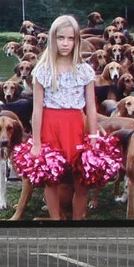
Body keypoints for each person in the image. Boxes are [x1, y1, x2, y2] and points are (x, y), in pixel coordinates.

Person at [28, 12, 100, 223]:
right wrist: (37, 142)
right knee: (52, 180)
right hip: (50, 126)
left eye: (70, 38)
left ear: (77, 40)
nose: (66, 43)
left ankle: (78, 220)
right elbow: (37, 109)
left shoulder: (85, 70)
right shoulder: (42, 70)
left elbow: (92, 107)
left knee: (81, 180)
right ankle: (55, 220)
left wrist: (94, 136)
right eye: (61, 38)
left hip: (76, 127)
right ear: (53, 39)